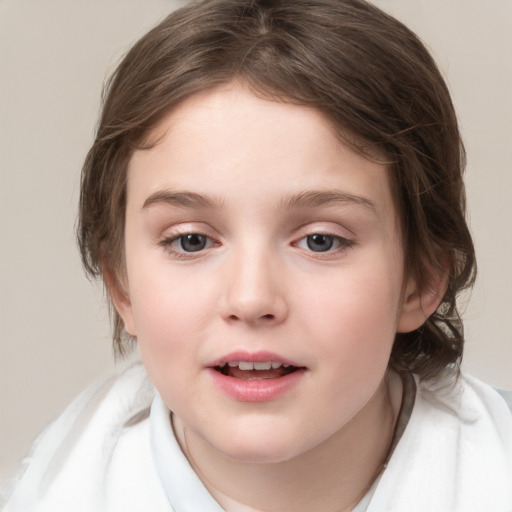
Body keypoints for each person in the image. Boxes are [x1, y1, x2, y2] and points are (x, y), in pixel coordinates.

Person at [3, 0, 511, 510]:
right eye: (191, 240)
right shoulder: (51, 492)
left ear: (420, 278)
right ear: (121, 285)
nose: (250, 299)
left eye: (320, 240)